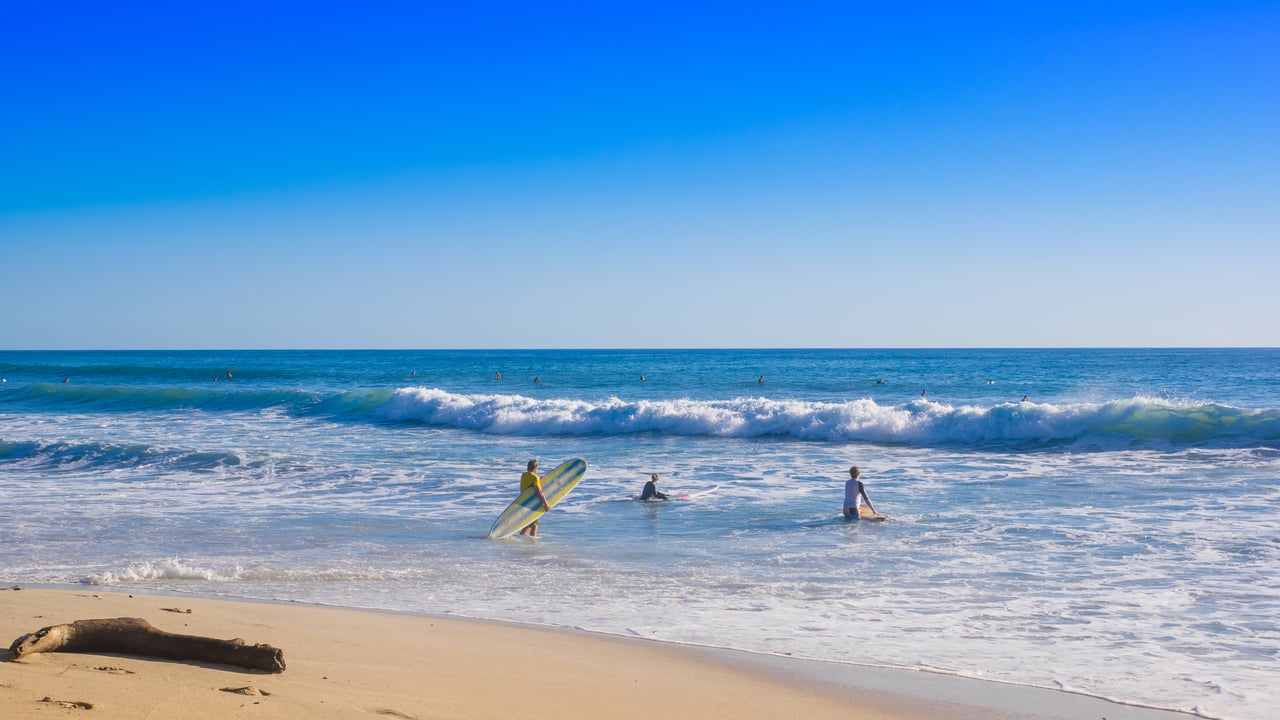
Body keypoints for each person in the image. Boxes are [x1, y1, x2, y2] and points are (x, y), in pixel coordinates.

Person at [518, 459, 550, 537]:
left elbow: (528, 485)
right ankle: (533, 544)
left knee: (529, 524)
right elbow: (539, 492)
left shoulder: (524, 475)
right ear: (535, 467)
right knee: (534, 525)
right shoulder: (535, 478)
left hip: (523, 502)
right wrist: (546, 504)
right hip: (531, 504)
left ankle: (519, 538)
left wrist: (539, 480)